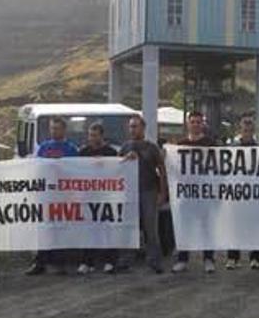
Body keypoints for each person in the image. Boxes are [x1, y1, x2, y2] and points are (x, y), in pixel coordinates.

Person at [25, 117, 79, 275]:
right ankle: (40, 262)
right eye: (52, 128)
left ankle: (60, 263)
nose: (54, 131)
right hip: (46, 193)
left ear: (64, 130)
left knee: (61, 228)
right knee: (43, 228)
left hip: (62, 194)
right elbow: (35, 167)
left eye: (57, 128)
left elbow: (77, 171)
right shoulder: (43, 147)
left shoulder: (71, 149)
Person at [119, 116, 167, 275]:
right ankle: (125, 260)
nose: (133, 129)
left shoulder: (151, 147)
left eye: (136, 126)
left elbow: (162, 169)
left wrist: (163, 193)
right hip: (129, 193)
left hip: (149, 191)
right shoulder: (124, 147)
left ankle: (155, 261)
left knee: (150, 229)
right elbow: (116, 168)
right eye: (131, 126)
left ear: (143, 128)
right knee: (128, 227)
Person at [172, 111, 218, 274]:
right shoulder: (180, 144)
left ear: (202, 124)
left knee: (207, 227)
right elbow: (175, 168)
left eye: (198, 122)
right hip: (186, 193)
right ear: (188, 123)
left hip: (205, 193)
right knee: (185, 227)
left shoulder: (210, 143)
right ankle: (183, 259)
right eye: (193, 122)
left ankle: (208, 259)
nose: (196, 124)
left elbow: (217, 169)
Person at [76, 123, 119, 275]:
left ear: (102, 136)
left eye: (95, 135)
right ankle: (87, 262)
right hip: (88, 196)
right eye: (90, 135)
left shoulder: (111, 152)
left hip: (106, 196)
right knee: (88, 229)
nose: (92, 138)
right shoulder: (83, 152)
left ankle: (110, 261)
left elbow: (119, 170)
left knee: (108, 229)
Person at [226, 115, 259, 270]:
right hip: (236, 194)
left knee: (256, 227)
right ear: (240, 129)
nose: (247, 130)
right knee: (235, 227)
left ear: (252, 130)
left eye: (249, 128)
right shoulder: (232, 148)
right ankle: (232, 258)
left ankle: (256, 258)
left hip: (255, 195)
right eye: (245, 128)